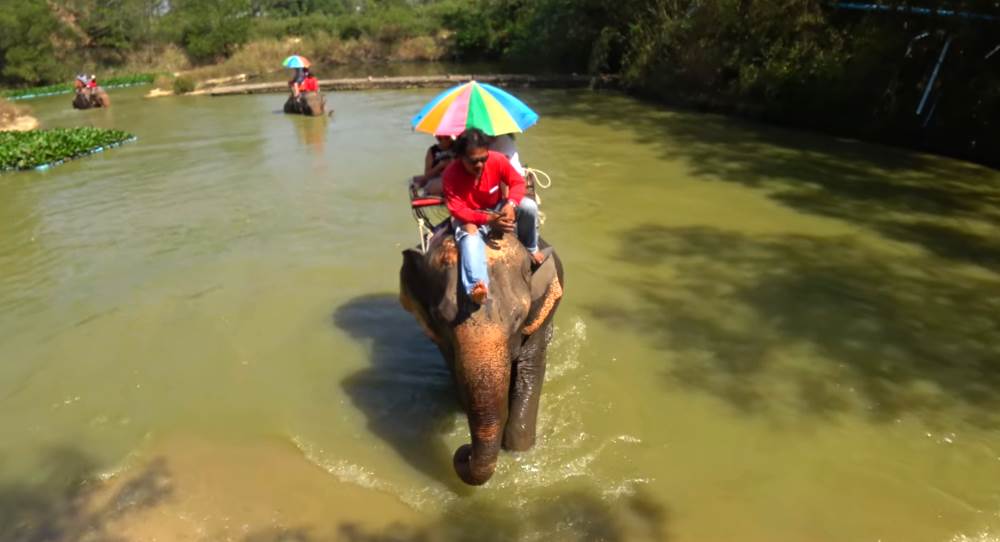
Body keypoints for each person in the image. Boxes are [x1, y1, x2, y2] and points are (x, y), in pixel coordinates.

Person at [443, 128, 544, 305]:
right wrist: (488, 221)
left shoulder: (497, 160)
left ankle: (531, 248)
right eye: (474, 161)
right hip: (470, 217)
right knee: (469, 236)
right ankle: (477, 286)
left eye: (483, 159)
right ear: (461, 158)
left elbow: (517, 182)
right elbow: (457, 209)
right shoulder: (451, 175)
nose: (480, 165)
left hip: (495, 209)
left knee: (528, 206)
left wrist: (511, 204)